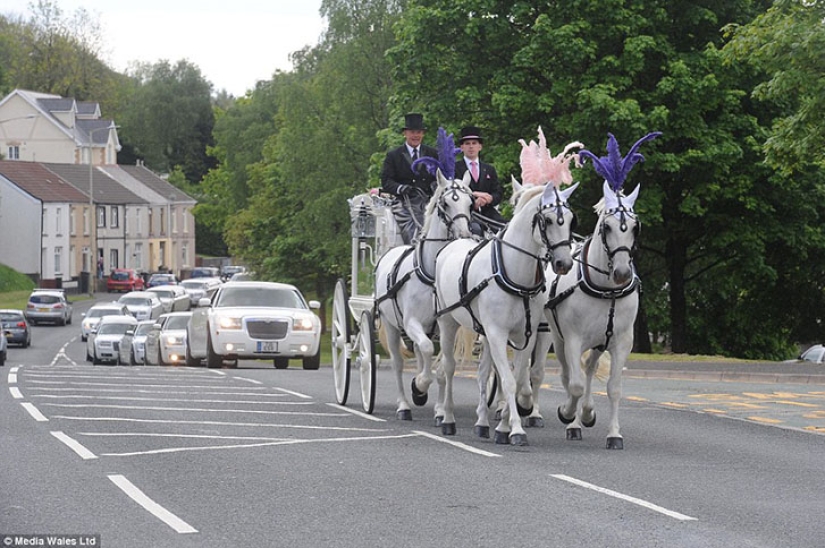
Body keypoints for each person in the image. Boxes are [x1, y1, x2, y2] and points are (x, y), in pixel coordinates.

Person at [380, 113, 439, 244]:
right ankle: (414, 249)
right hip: (405, 202)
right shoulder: (393, 155)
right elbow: (386, 181)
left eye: (419, 132)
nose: (416, 136)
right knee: (412, 229)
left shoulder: (433, 153)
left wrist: (435, 185)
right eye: (412, 132)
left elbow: (441, 176)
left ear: (423, 134)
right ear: (405, 133)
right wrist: (400, 188)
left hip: (429, 200)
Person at [454, 126, 506, 236]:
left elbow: (498, 192)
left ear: (480, 146)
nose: (471, 146)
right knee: (476, 231)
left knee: (506, 229)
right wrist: (474, 199)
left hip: (488, 213)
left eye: (474, 143)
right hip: (467, 214)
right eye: (467, 143)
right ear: (462, 147)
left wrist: (489, 198)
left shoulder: (489, 169)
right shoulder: (455, 168)